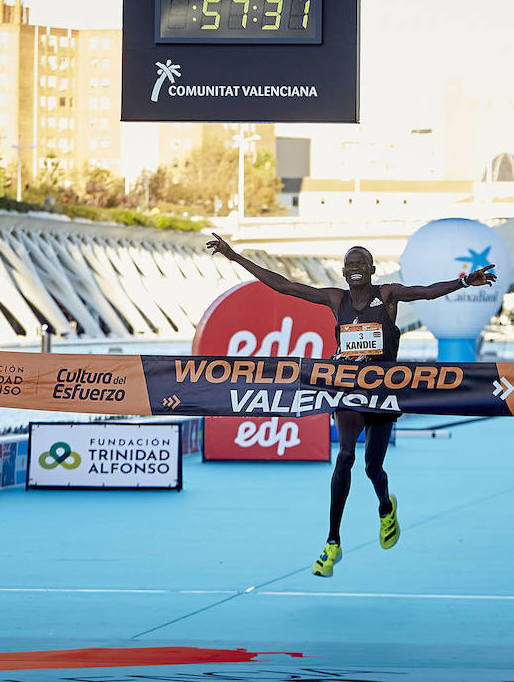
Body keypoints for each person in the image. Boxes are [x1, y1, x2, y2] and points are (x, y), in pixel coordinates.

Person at [207, 233, 496, 577]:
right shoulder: (335, 298)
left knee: (373, 468)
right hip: (348, 390)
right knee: (345, 455)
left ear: (373, 269)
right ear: (343, 271)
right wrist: (234, 256)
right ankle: (332, 542)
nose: (356, 267)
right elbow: (284, 286)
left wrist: (465, 281)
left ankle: (386, 507)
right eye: (350, 263)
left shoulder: (387, 295)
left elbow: (426, 291)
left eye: (362, 262)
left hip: (385, 392)